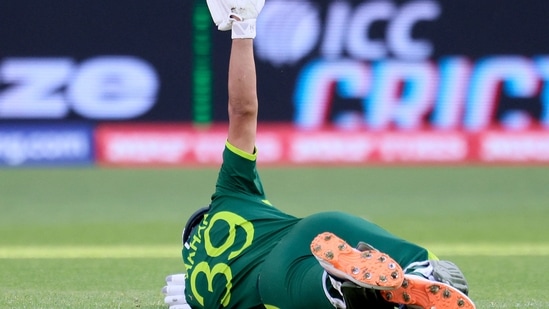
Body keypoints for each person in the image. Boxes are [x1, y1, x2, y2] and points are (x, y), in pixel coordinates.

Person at [162, 0, 476, 308]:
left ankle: (337, 287)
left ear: (188, 246)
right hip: (318, 229)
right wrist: (243, 30)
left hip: (274, 276)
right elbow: (243, 112)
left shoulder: (197, 288)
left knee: (286, 289)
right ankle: (424, 269)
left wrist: (195, 298)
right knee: (380, 251)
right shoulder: (231, 195)